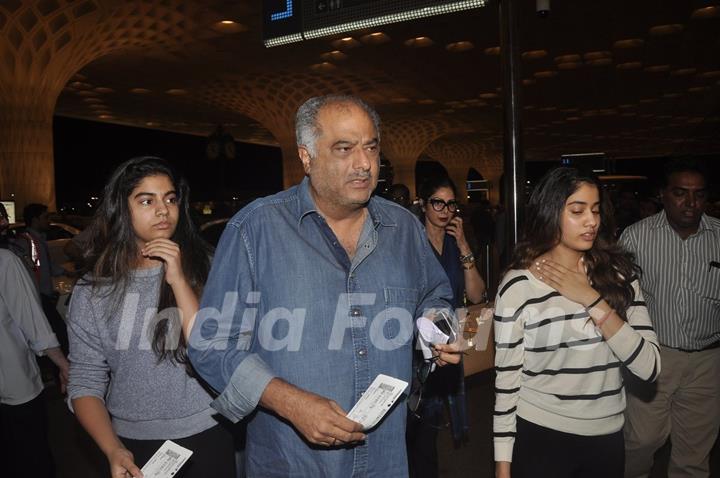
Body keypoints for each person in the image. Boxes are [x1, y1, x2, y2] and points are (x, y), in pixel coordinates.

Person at [188, 94, 461, 477]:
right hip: (292, 463)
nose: (364, 164)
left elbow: (435, 295)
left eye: (371, 147)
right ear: (306, 157)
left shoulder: (404, 230)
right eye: (344, 148)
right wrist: (289, 402)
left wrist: (435, 325)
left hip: (385, 460)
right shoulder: (256, 230)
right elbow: (211, 345)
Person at [67, 156, 235, 478]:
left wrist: (180, 280)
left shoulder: (208, 267)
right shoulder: (93, 290)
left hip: (210, 431)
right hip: (132, 442)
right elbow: (85, 380)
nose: (163, 210)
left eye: (170, 199)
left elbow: (214, 349)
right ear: (120, 208)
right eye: (147, 200)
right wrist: (112, 448)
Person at [493, 167, 661, 478]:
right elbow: (506, 384)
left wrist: (591, 299)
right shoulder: (519, 286)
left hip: (607, 439)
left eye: (596, 210)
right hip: (541, 436)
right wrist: (503, 467)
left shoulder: (619, 277)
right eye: (577, 210)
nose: (591, 221)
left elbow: (649, 367)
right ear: (550, 213)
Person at [621, 158, 720, 478]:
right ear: (662, 194)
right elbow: (617, 299)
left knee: (694, 453)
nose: (691, 203)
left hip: (708, 361)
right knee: (642, 440)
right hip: (654, 356)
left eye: (699, 194)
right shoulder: (636, 237)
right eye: (680, 193)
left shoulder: (719, 236)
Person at [406, 176, 487, 477]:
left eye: (450, 203)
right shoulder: (412, 242)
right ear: (424, 205)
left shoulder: (456, 244)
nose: (444, 210)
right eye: (437, 202)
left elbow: (478, 294)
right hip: (418, 343)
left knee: (433, 419)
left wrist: (464, 243)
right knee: (421, 423)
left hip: (450, 342)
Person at [0, 247, 70, 478]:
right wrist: (63, 364)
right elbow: (32, 321)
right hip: (14, 384)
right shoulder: (4, 260)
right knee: (32, 457)